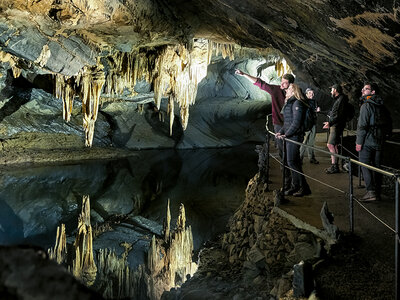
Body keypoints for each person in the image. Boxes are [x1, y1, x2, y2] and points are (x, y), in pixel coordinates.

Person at [235, 69, 294, 188]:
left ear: (291, 84)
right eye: (281, 81)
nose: (281, 84)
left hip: (291, 126)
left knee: (292, 154)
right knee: (283, 153)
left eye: (284, 83)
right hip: (279, 125)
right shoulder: (277, 90)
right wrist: (244, 74)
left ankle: (294, 180)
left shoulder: (295, 93)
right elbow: (261, 83)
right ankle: (287, 181)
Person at [356, 83, 392, 202]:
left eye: (366, 89)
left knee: (364, 164)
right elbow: (389, 123)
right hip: (380, 141)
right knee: (377, 167)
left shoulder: (366, 106)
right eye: (363, 88)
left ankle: (370, 192)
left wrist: (359, 142)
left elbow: (362, 126)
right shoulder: (382, 106)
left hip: (368, 141)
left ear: (373, 92)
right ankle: (377, 193)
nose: (363, 90)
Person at [276, 84, 311, 197]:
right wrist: (281, 131)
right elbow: (287, 122)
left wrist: (286, 134)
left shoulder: (297, 103)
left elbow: (296, 122)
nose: (287, 91)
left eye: (289, 89)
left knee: (292, 162)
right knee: (293, 162)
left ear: (294, 91)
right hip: (291, 135)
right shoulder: (290, 103)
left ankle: (303, 187)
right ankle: (295, 186)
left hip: (295, 136)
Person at [323, 84, 348, 174]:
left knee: (330, 145)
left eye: (332, 90)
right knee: (335, 145)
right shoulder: (340, 99)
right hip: (336, 125)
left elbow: (338, 115)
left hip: (336, 126)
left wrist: (330, 123)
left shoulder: (341, 100)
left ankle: (334, 166)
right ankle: (335, 166)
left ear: (335, 90)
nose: (330, 92)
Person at [300, 88, 320, 164]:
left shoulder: (314, 102)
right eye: (309, 93)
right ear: (306, 94)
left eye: (312, 93)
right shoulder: (303, 102)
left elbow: (313, 112)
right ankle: (300, 158)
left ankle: (311, 158)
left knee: (311, 142)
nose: (311, 94)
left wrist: (316, 110)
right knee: (304, 142)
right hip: (306, 125)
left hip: (313, 124)